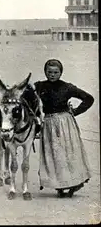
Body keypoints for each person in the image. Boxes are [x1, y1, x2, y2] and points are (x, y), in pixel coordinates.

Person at [35, 59, 94, 198]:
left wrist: (76, 111)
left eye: (56, 72)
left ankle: (74, 183)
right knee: (53, 155)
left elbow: (89, 99)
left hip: (65, 124)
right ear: (45, 72)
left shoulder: (67, 87)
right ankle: (59, 186)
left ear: (61, 72)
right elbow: (28, 96)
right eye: (49, 72)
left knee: (67, 153)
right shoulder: (39, 86)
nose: (52, 75)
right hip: (48, 123)